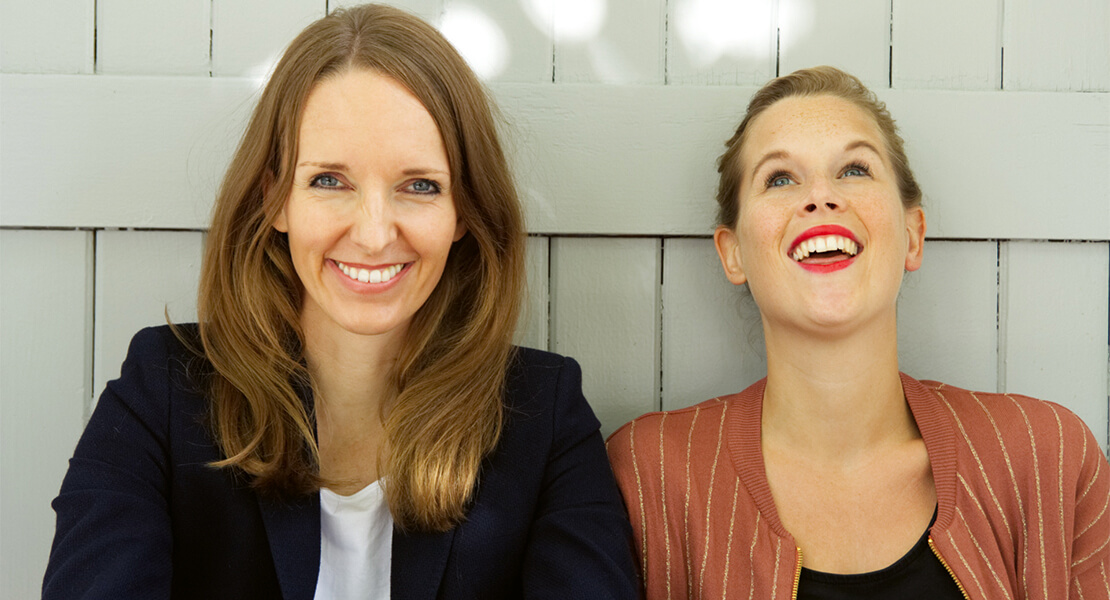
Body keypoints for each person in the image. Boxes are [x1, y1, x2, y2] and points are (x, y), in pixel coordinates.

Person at [43, 5, 637, 599]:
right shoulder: (164, 388)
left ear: (465, 213)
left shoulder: (545, 413)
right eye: (330, 180)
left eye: (420, 185)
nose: (374, 234)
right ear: (275, 199)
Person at [607, 66, 1109, 599]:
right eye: (780, 178)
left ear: (913, 236)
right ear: (733, 253)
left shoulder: (1049, 455)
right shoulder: (646, 473)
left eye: (854, 169)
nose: (821, 197)